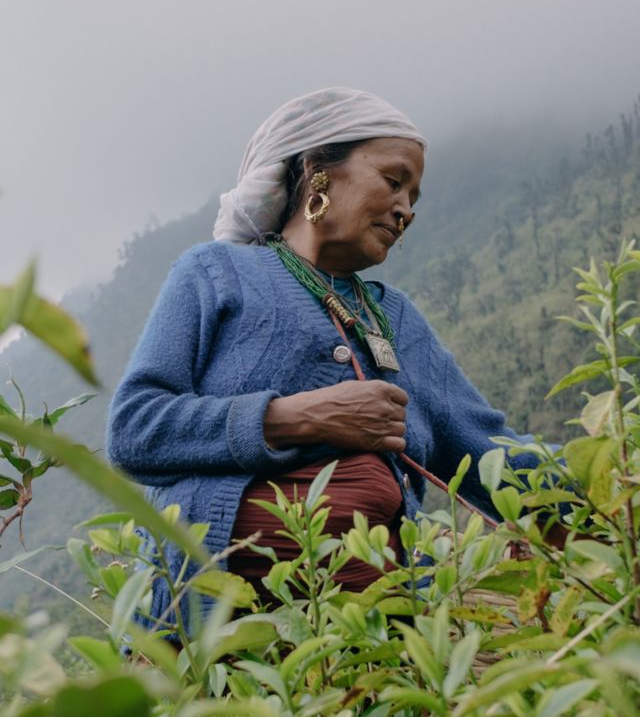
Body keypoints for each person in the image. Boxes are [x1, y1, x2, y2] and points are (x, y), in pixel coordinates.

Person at [106, 87, 538, 632]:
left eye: (415, 197)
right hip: (217, 636)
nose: (406, 209)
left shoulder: (396, 318)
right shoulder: (216, 273)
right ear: (317, 170)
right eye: (393, 180)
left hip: (377, 644)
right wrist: (297, 418)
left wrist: (614, 471)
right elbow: (134, 429)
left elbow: (493, 455)